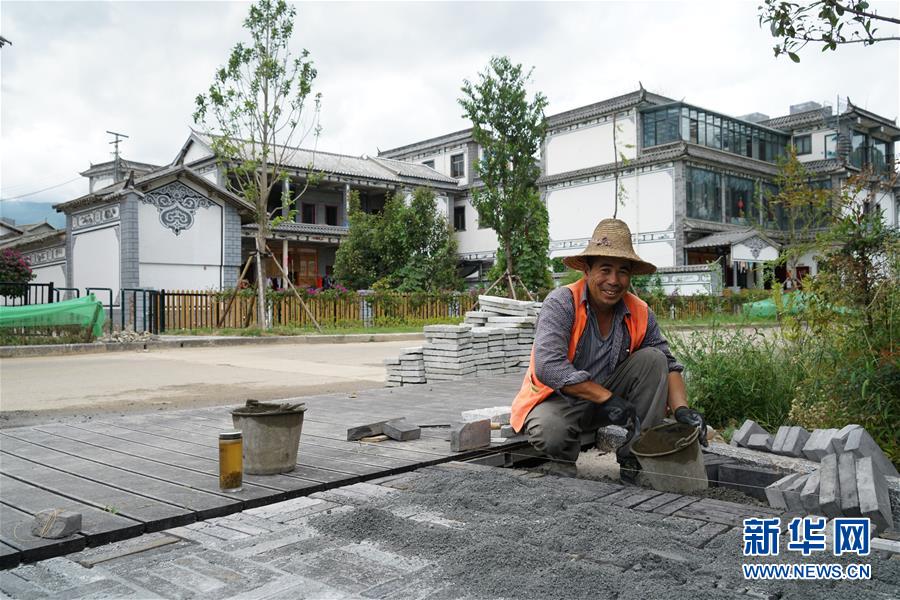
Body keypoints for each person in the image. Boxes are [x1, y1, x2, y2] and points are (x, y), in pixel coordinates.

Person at [510, 218, 707, 483]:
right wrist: (606, 398)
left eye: (622, 271)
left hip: (610, 400)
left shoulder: (639, 311)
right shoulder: (561, 303)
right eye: (605, 269)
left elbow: (669, 364)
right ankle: (563, 463)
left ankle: (634, 457)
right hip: (560, 401)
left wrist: (682, 409)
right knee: (550, 430)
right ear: (587, 271)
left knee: (654, 359)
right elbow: (549, 366)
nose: (614, 281)